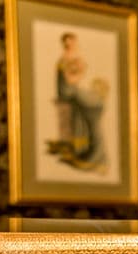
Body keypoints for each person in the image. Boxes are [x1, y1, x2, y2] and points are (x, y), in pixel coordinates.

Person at [49, 32, 108, 172]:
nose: (71, 45)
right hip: (67, 91)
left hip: (73, 89)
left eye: (72, 42)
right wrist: (77, 74)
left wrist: (78, 72)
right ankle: (84, 149)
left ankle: (88, 149)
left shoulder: (76, 57)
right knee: (89, 103)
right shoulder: (64, 58)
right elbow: (69, 80)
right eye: (68, 43)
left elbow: (79, 72)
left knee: (92, 103)